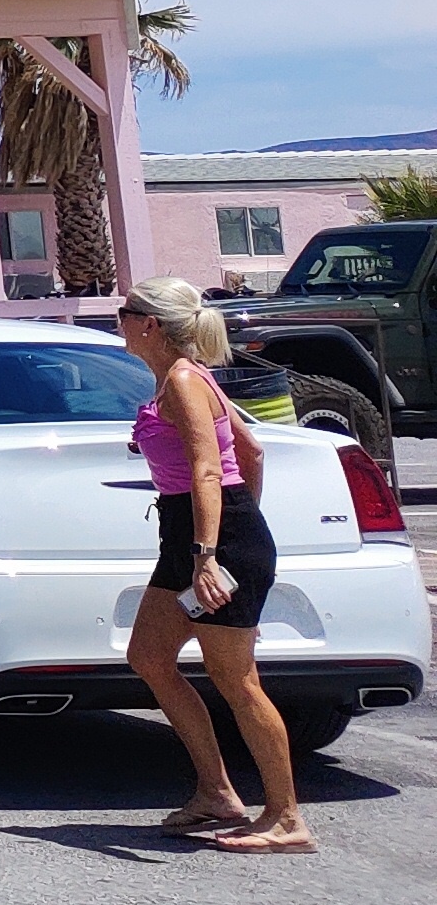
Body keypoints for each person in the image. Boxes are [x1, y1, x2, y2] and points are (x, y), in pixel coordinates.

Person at [117, 277, 305, 851]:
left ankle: (287, 819)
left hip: (211, 544)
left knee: (237, 680)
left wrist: (213, 553)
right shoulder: (185, 377)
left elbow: (207, 469)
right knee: (149, 657)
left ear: (149, 324)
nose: (118, 319)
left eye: (125, 311)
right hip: (190, 537)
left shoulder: (183, 380)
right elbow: (251, 452)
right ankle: (217, 792)